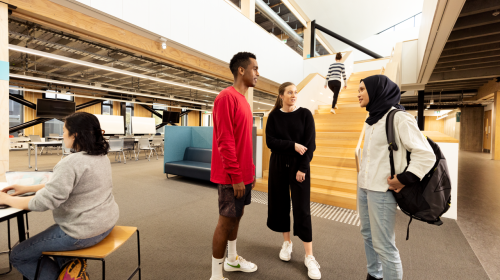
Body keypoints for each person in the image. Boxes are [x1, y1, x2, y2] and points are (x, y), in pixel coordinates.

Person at [0, 112, 119, 280]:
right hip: (105, 224)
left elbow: (43, 202)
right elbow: (67, 185)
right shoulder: (100, 156)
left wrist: (6, 199)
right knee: (53, 240)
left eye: (64, 131)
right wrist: (27, 188)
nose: (62, 135)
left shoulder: (71, 162)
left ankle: (66, 278)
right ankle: (69, 267)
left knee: (19, 255)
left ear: (75, 134)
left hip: (81, 231)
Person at [357, 75, 435, 280]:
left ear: (376, 91)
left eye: (363, 89)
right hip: (364, 186)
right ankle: (374, 275)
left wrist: (405, 178)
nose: (358, 93)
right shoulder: (371, 119)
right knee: (367, 235)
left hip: (382, 190)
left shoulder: (398, 117)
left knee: (384, 245)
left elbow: (426, 154)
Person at [210, 52, 259, 280]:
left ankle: (231, 260)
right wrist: (237, 176)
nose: (258, 73)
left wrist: (249, 170)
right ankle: (215, 276)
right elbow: (225, 141)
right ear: (242, 70)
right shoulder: (225, 98)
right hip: (232, 177)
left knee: (237, 217)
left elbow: (243, 142)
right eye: (255, 68)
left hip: (244, 175)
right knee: (225, 221)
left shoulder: (245, 101)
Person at [266, 82, 320, 279]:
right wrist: (292, 145)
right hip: (278, 164)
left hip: (299, 166)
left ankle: (309, 256)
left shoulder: (305, 114)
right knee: (280, 205)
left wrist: (303, 167)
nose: (294, 95)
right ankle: (287, 243)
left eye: (296, 92)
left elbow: (310, 144)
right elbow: (270, 141)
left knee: (302, 209)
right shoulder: (273, 116)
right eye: (290, 92)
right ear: (281, 95)